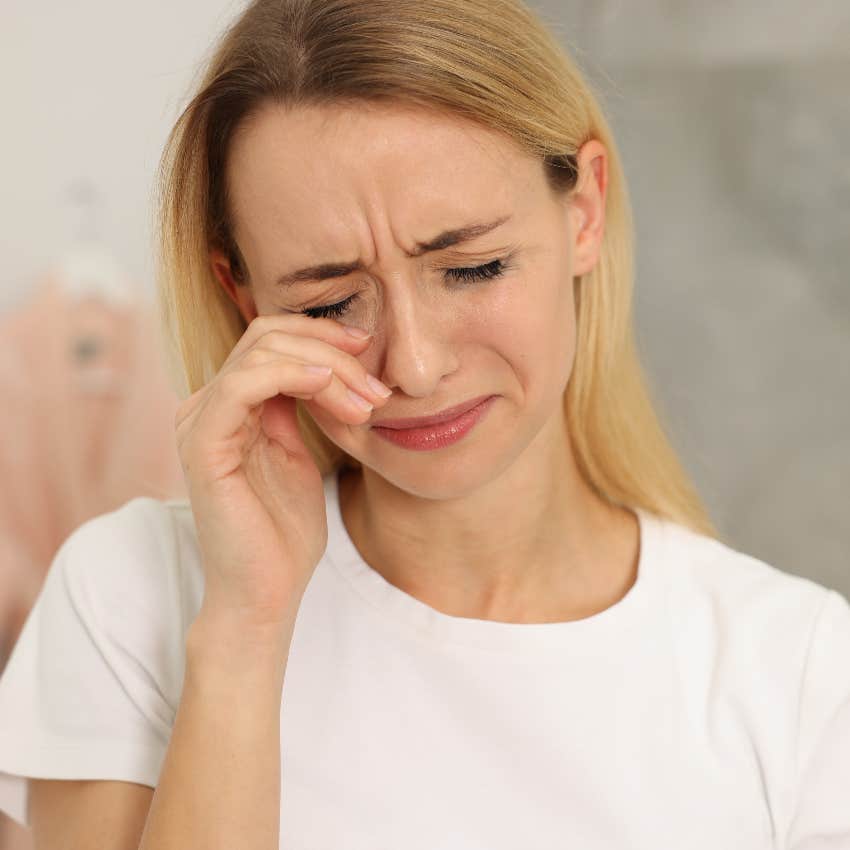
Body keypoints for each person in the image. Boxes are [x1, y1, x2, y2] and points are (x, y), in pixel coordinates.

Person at [0, 0, 848, 847]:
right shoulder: (134, 596)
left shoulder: (800, 675)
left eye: (472, 267)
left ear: (584, 208)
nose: (412, 366)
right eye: (330, 302)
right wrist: (244, 632)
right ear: (244, 293)